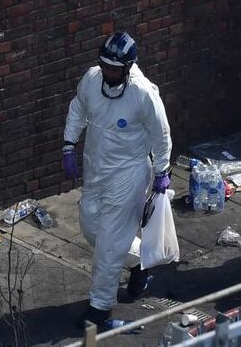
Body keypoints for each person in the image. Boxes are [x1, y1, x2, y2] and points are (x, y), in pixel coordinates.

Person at [62, 32, 172, 328]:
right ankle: (139, 262)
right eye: (105, 67)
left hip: (129, 174)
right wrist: (69, 144)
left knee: (110, 244)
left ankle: (100, 310)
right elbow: (77, 108)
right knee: (91, 228)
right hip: (95, 168)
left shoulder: (143, 93)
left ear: (128, 67)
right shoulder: (91, 79)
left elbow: (162, 136)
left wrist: (162, 172)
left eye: (115, 69)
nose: (109, 73)